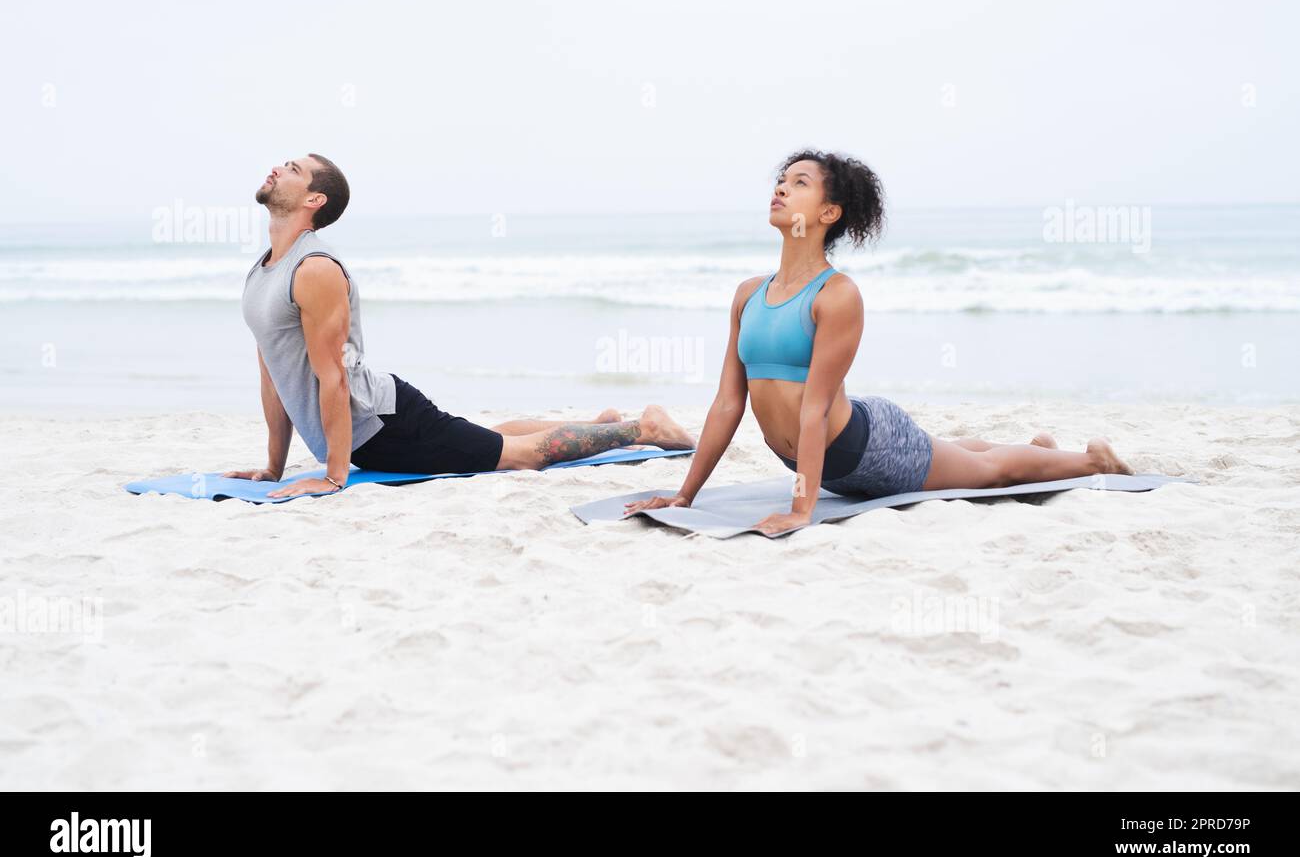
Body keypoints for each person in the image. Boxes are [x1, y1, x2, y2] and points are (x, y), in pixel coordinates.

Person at [624, 149, 1133, 535]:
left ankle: (1091, 462)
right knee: (950, 453)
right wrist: (685, 496)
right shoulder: (747, 295)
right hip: (825, 454)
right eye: (780, 180)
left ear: (829, 213)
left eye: (799, 183)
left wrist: (803, 510)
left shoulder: (837, 295)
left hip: (867, 448)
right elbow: (727, 403)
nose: (780, 189)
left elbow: (815, 410)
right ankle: (1035, 448)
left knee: (985, 472)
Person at [226, 154, 695, 499]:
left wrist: (332, 476)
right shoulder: (264, 270)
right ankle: (598, 423)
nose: (277, 168)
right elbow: (273, 371)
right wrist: (273, 467)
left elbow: (333, 376)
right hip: (372, 433)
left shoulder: (315, 270)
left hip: (385, 426)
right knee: (486, 438)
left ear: (314, 199)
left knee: (519, 456)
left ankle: (642, 428)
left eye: (292, 168)